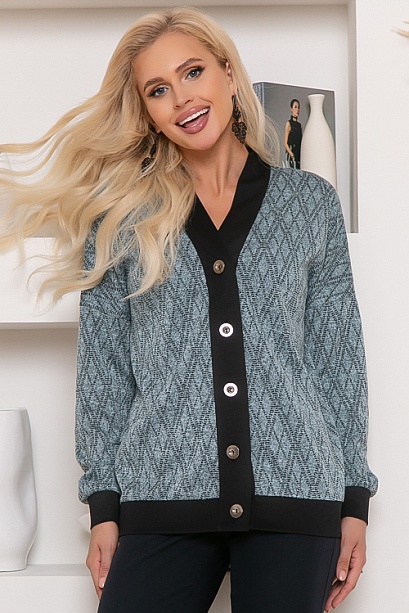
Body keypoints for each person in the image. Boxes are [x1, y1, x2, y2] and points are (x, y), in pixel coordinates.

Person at [0, 7, 377, 613]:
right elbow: (104, 371)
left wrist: (355, 500)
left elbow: (339, 361)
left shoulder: (310, 204)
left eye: (193, 72)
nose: (182, 99)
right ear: (145, 110)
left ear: (228, 73)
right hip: (161, 494)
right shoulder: (121, 218)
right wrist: (103, 506)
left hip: (298, 492)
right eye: (158, 89)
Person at [283, 98, 302, 168]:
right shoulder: (288, 124)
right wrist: (292, 155)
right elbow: (285, 143)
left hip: (299, 155)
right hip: (292, 155)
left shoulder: (300, 126)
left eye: (298, 107)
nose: (297, 110)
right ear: (291, 109)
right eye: (295, 107)